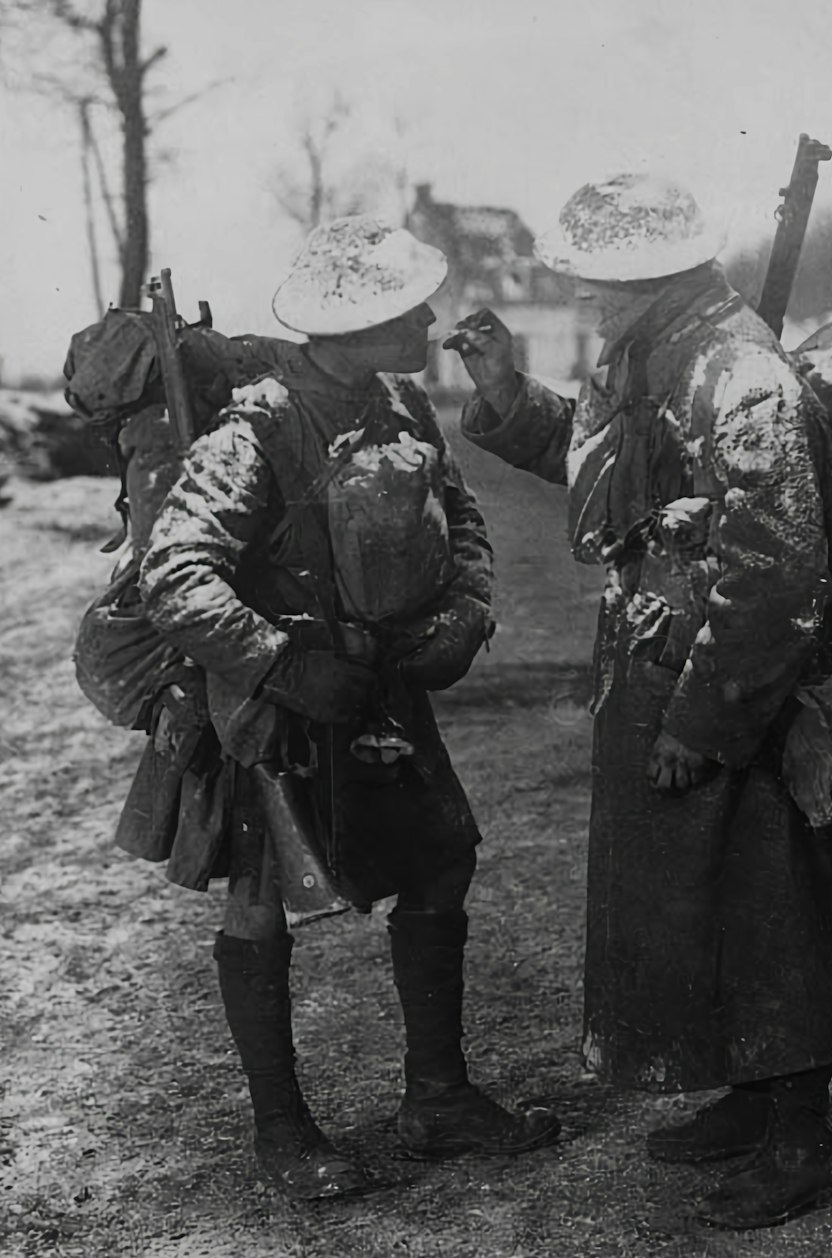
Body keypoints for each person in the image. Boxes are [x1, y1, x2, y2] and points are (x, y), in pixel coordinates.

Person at [448, 173, 832, 1230]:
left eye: (601, 282)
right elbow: (611, 471)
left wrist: (704, 719)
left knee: (776, 896)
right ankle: (751, 1088)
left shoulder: (736, 368)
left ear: (657, 275)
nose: (588, 299)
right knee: (710, 895)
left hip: (748, 681)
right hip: (666, 658)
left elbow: (778, 566)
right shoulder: (655, 350)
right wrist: (509, 394)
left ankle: (800, 1134)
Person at [131, 217, 560, 1200]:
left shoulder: (404, 403)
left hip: (383, 689)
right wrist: (282, 664)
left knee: (443, 853)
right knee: (261, 895)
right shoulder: (258, 427)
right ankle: (282, 1131)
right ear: (355, 323)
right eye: (404, 307)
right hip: (274, 706)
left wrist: (466, 611)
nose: (424, 319)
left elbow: (462, 518)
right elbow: (178, 577)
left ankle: (438, 1097)